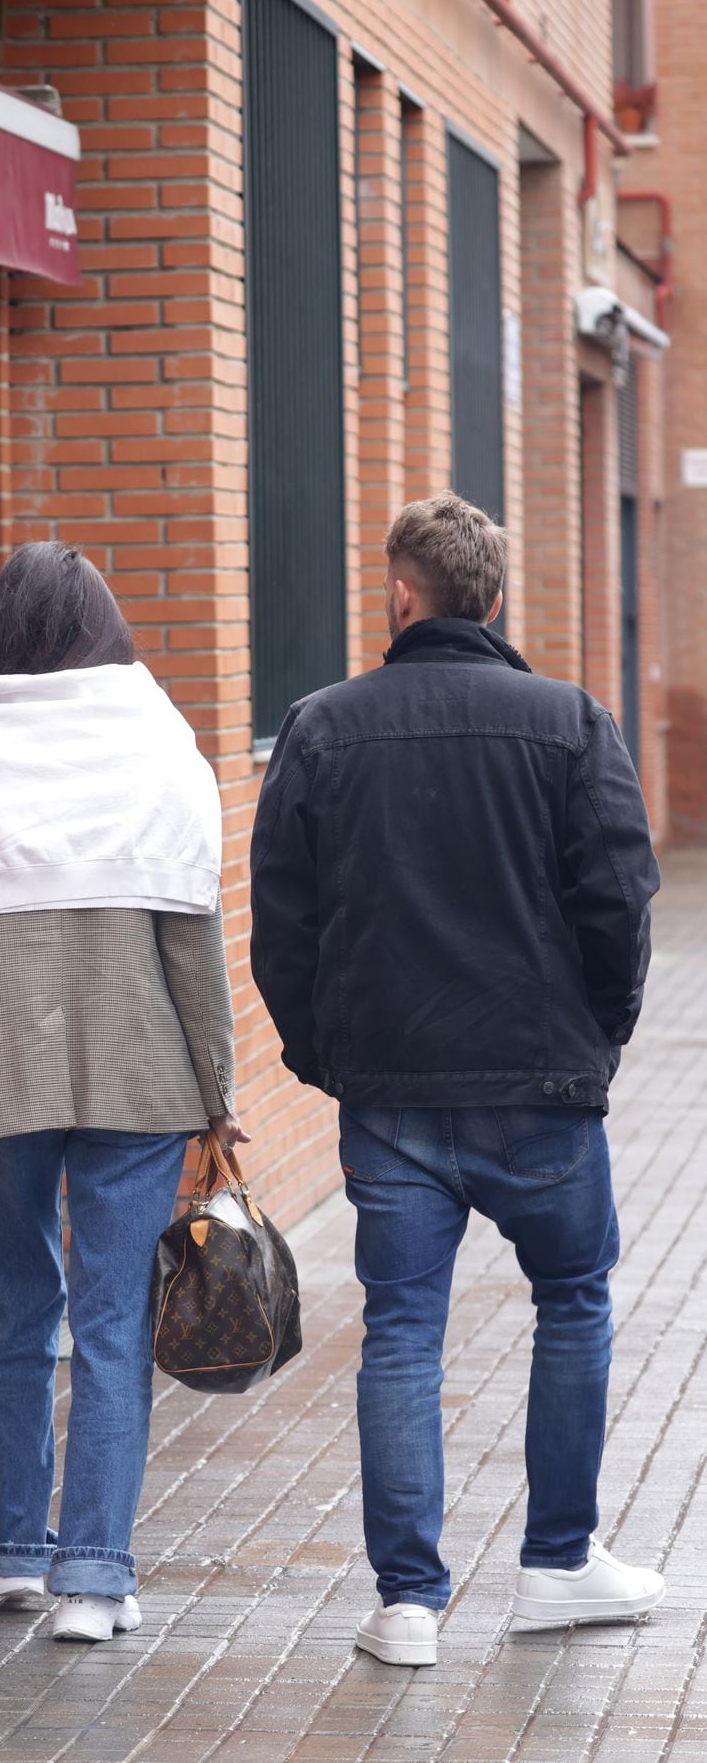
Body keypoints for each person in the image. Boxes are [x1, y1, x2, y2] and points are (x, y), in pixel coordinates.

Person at [251, 492, 662, 1668]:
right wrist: (599, 1037)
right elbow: (618, 902)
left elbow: (282, 921)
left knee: (401, 1333)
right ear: (494, 600)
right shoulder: (569, 721)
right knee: (574, 1299)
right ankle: (557, 1564)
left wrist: (325, 1057)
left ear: (400, 595)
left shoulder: (321, 730)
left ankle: (408, 1606)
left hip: (393, 1098)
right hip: (542, 1086)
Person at [0, 541, 245, 1643]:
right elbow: (194, 932)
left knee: (14, 1308)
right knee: (113, 1319)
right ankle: (94, 1577)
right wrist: (217, 1086)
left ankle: (7, 1553)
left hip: (1, 1064)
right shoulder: (160, 745)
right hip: (141, 1068)